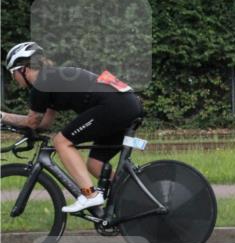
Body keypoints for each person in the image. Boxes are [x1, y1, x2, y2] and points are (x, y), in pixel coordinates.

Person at [0, 42, 144, 213]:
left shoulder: (41, 84)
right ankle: (136, 199)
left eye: (12, 73)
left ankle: (90, 195)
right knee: (95, 165)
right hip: (125, 104)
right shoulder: (51, 79)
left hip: (114, 106)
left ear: (24, 69)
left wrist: (3, 117)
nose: (13, 78)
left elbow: (32, 122)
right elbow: (44, 123)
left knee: (61, 142)